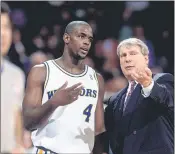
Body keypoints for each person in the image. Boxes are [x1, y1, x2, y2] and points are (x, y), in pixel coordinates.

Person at [22, 21, 105, 153]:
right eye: (81, 36)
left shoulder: (97, 79)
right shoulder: (42, 72)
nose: (86, 42)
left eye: (89, 39)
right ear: (67, 38)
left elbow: (99, 129)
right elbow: (27, 123)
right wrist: (53, 102)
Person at [104, 38, 174, 154]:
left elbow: (166, 99)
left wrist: (147, 84)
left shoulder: (163, 80)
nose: (127, 59)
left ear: (146, 59)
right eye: (123, 55)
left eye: (133, 53)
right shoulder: (114, 100)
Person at [1, 2, 25, 153]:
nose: (2, 33)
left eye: (6, 27)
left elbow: (17, 118)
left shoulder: (17, 75)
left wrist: (20, 146)